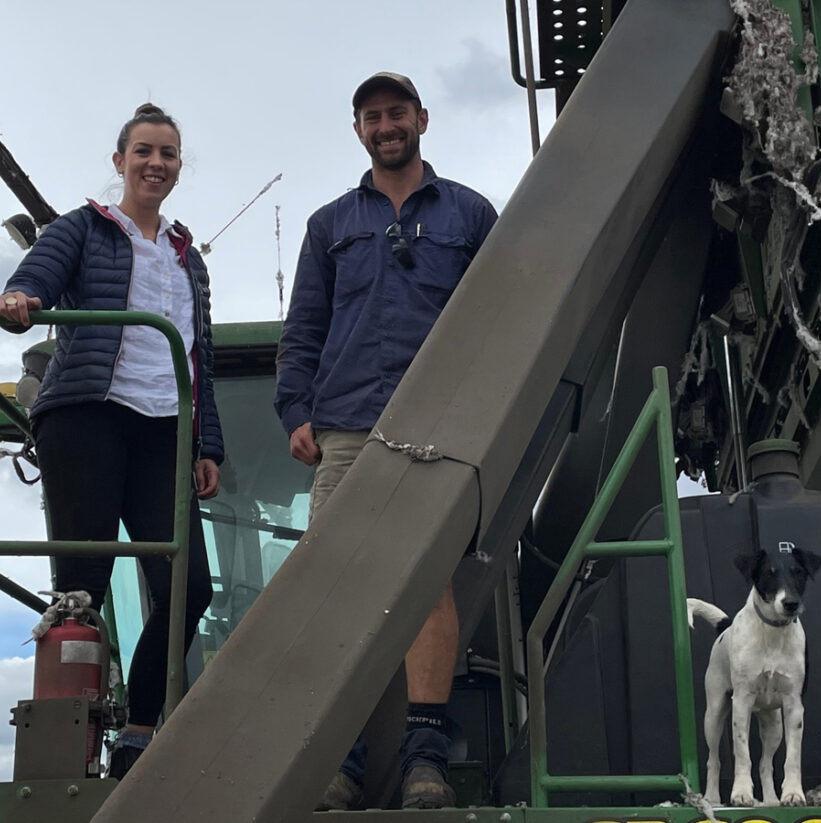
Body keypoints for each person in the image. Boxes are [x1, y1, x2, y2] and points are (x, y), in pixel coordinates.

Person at [274, 72, 498, 810]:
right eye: (372, 116)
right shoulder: (329, 223)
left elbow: (503, 319)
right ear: (359, 130)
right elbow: (304, 326)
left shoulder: (471, 214)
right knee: (335, 589)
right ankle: (345, 753)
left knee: (425, 585)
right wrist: (294, 409)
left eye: (396, 112)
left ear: (421, 119)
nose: (385, 125)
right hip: (345, 427)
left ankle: (424, 756)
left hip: (437, 428)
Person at [0, 103, 222, 781]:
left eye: (169, 154)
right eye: (144, 151)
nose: (156, 163)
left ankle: (140, 731)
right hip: (89, 414)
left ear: (180, 167)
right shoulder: (85, 227)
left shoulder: (189, 257)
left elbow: (198, 350)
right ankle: (67, 752)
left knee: (190, 588)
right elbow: (40, 272)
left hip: (163, 428)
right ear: (119, 160)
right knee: (82, 593)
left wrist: (205, 441)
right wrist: (20, 296)